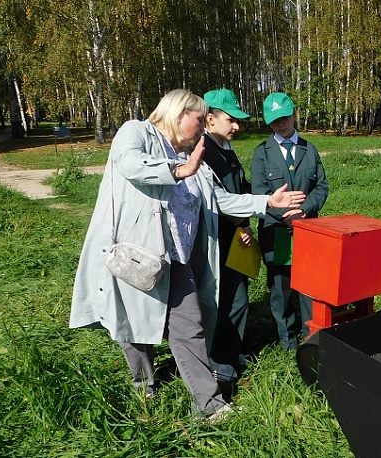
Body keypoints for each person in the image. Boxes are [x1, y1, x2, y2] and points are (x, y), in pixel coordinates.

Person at [69, 89, 305, 421]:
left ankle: (207, 404)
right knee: (135, 328)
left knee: (189, 325)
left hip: (177, 260)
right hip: (137, 255)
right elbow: (130, 165)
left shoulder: (189, 155)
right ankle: (144, 385)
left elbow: (219, 202)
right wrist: (178, 171)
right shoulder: (136, 132)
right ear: (180, 114)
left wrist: (265, 203)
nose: (201, 127)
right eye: (198, 119)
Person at [251, 92, 329, 351]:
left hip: (307, 229)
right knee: (281, 287)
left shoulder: (309, 149)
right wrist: (284, 215)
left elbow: (321, 186)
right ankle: (288, 340)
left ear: (294, 114)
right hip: (277, 231)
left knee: (309, 285)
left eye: (284, 118)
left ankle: (311, 337)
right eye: (274, 121)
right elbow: (258, 193)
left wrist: (304, 211)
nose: (280, 125)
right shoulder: (262, 153)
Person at [200, 88, 253, 383]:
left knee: (236, 298)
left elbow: (240, 191)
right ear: (210, 119)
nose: (236, 126)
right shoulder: (204, 152)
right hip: (216, 239)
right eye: (230, 120)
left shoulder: (225, 148)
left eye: (238, 121)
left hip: (235, 236)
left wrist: (244, 225)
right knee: (228, 301)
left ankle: (231, 351)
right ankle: (220, 363)